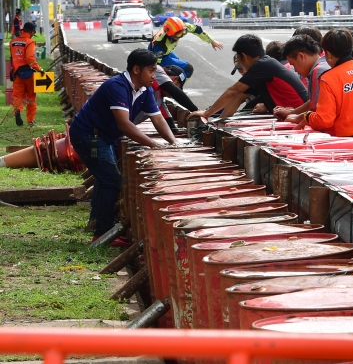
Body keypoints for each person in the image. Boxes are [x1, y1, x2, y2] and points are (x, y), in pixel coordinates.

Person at [69, 49, 177, 244]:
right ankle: (102, 233)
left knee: (105, 177)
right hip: (89, 135)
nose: (154, 76)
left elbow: (158, 118)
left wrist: (173, 143)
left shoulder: (145, 90)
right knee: (111, 180)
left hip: (103, 136)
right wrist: (154, 145)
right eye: (151, 70)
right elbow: (124, 124)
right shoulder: (117, 86)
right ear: (136, 69)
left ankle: (97, 221)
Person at [189, 34, 307, 119]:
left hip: (297, 112)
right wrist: (219, 123)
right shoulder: (263, 65)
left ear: (244, 56)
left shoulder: (262, 65)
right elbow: (238, 97)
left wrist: (207, 113)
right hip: (286, 112)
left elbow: (233, 91)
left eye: (239, 59)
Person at [273, 35, 331, 121]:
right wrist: (291, 113)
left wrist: (296, 118)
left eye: (293, 65)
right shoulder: (324, 64)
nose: (295, 70)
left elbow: (316, 110)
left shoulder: (318, 70)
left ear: (301, 56)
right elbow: (313, 101)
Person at [149, 16, 223, 78]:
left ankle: (176, 84)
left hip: (167, 52)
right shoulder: (160, 45)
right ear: (170, 35)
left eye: (183, 32)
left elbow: (197, 30)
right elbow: (156, 65)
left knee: (177, 63)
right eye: (179, 34)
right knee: (187, 69)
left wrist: (212, 41)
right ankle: (174, 88)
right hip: (159, 56)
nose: (182, 35)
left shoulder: (183, 27)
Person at [10, 22, 44, 127]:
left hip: (17, 74)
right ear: (31, 31)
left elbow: (13, 58)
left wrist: (12, 70)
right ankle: (30, 120)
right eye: (33, 32)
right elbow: (30, 59)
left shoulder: (13, 42)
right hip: (29, 74)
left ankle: (18, 111)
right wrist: (39, 69)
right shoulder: (30, 42)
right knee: (31, 98)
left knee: (17, 96)